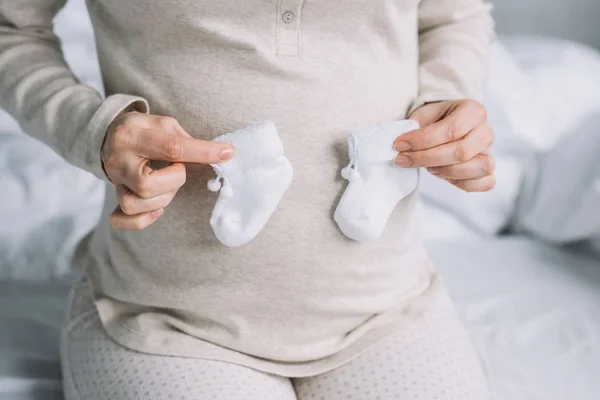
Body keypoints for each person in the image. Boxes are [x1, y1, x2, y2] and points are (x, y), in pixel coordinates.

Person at [0, 0, 496, 399]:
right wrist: (95, 129)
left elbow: (453, 14)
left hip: (388, 307)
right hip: (165, 319)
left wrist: (446, 97)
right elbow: (11, 28)